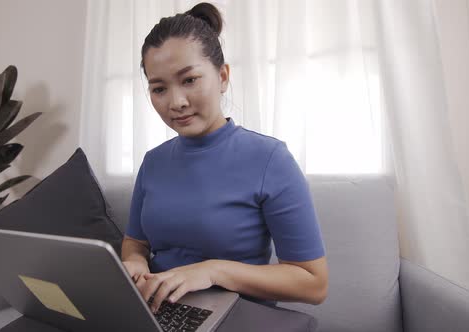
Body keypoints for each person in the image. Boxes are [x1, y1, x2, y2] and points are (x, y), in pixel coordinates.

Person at [121, 2, 328, 314]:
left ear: (222, 76)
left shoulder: (270, 159)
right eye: (159, 88)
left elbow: (313, 283)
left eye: (189, 80)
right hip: (160, 313)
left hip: (237, 317)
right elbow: (135, 244)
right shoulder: (153, 162)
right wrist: (134, 264)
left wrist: (213, 271)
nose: (176, 102)